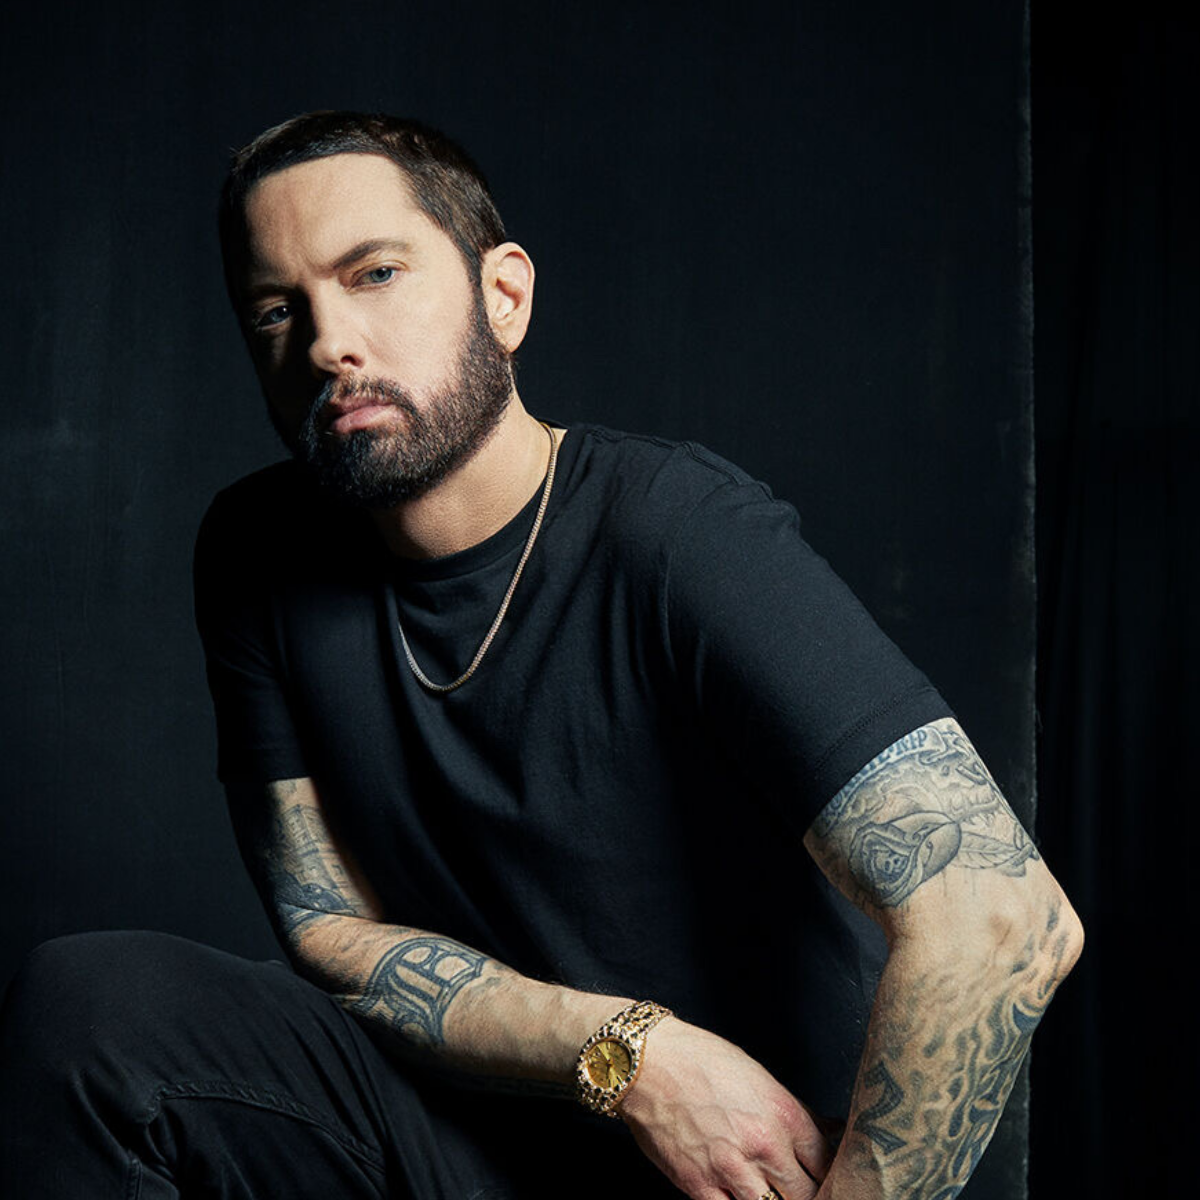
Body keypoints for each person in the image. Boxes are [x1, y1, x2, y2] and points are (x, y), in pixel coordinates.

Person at [0, 112, 1082, 1200]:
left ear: (504, 296)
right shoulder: (256, 550)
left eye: (374, 274)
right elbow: (326, 926)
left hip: (763, 1173)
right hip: (478, 1142)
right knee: (94, 1014)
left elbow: (1002, 918)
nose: (327, 342)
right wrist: (628, 1055)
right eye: (278, 309)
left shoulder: (676, 532)